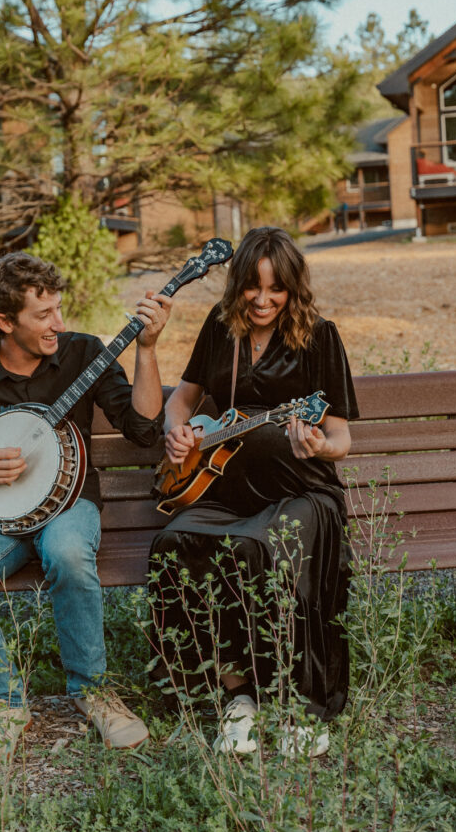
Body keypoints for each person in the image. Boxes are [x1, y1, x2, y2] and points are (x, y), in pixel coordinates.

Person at [0, 252, 172, 760]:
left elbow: (143, 431)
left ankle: (93, 692)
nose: (59, 324)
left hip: (70, 505)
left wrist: (148, 350)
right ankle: (3, 700)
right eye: (43, 315)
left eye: (59, 309)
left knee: (69, 554)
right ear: (5, 322)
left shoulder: (83, 354)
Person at [150, 226, 357, 757]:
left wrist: (317, 446)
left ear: (293, 289)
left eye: (277, 289)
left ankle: (295, 699)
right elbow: (183, 399)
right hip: (224, 489)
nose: (263, 300)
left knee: (261, 548)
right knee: (174, 546)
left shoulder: (319, 336)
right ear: (237, 284)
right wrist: (179, 430)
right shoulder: (220, 331)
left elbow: (341, 438)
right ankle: (236, 691)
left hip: (302, 491)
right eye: (252, 287)